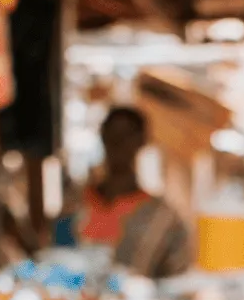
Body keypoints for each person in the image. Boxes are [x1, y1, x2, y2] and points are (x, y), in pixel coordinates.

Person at [71, 106, 191, 279]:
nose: (118, 142)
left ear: (142, 141)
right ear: (102, 137)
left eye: (127, 135)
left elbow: (177, 281)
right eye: (112, 134)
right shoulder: (74, 205)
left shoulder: (163, 219)